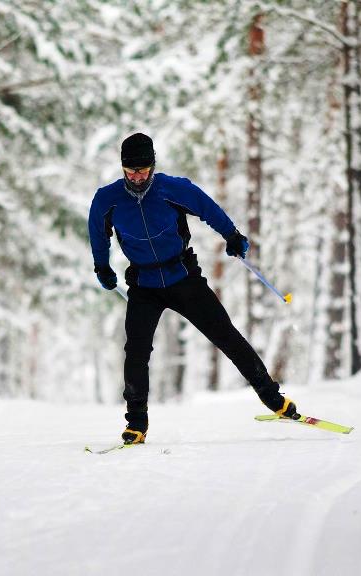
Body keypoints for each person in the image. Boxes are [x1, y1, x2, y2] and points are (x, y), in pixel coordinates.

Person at [87, 132, 299, 445]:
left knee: (226, 335)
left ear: (153, 166)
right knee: (136, 352)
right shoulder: (108, 200)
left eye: (143, 171)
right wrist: (102, 268)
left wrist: (232, 235)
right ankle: (136, 424)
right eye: (131, 172)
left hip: (182, 276)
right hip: (143, 285)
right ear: (122, 169)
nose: (137, 178)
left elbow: (208, 209)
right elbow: (97, 234)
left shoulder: (173, 188)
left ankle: (273, 399)